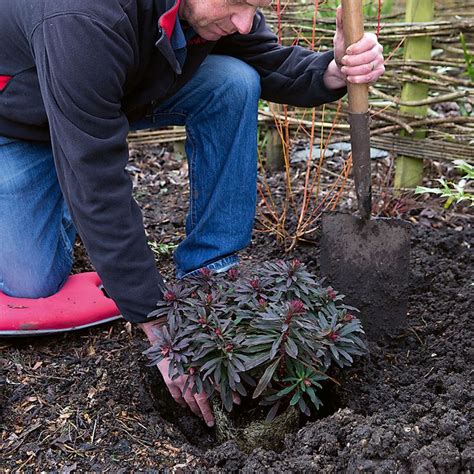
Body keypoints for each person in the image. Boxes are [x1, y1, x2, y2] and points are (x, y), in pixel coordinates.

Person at [0, 0, 384, 426]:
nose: (244, 22)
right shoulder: (82, 16)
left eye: (252, 7)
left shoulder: (210, 11)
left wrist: (331, 70)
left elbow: (265, 60)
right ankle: (60, 186)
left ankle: (211, 267)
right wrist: (157, 322)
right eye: (238, 4)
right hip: (18, 120)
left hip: (110, 95)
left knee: (233, 81)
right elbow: (96, 179)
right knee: (30, 282)